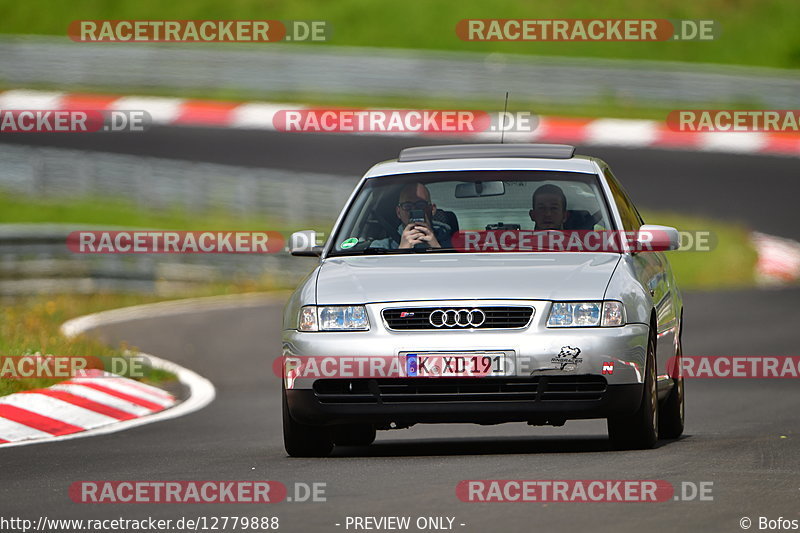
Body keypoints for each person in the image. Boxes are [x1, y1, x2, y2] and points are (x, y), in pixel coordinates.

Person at [371, 183, 452, 249]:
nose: (414, 210)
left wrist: (437, 248)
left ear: (432, 209)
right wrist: (402, 250)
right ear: (398, 212)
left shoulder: (453, 244)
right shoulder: (381, 247)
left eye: (421, 205)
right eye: (407, 206)